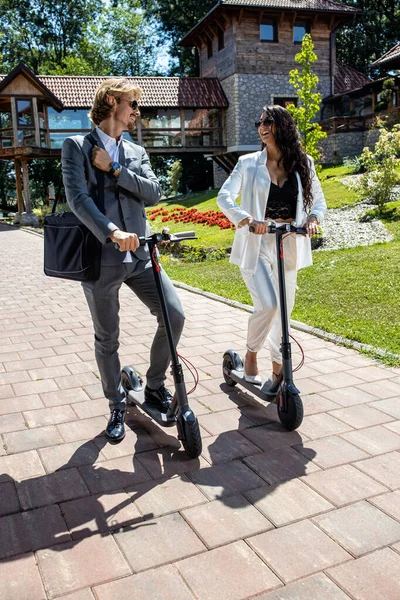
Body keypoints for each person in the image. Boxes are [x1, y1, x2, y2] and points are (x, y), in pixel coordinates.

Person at [62, 79, 185, 442]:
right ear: (113, 102)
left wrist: (115, 169)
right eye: (133, 103)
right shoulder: (76, 147)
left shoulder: (134, 151)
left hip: (141, 258)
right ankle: (116, 403)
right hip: (101, 259)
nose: (137, 112)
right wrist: (112, 232)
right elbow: (78, 199)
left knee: (174, 315)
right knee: (107, 338)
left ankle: (154, 385)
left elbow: (154, 191)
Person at [217, 105, 326, 384]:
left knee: (284, 313)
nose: (262, 126)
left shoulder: (303, 163)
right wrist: (247, 219)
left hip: (288, 241)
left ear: (284, 126)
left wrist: (312, 219)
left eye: (268, 121)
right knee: (268, 305)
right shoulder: (248, 163)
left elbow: (319, 202)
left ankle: (278, 368)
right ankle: (252, 352)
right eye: (259, 122)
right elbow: (224, 197)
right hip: (257, 243)